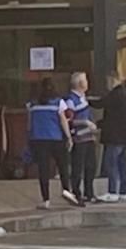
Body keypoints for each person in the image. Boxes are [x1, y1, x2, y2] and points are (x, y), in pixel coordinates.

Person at [26, 77, 77, 209]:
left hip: (39, 139)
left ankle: (46, 200)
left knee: (43, 170)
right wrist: (69, 137)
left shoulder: (32, 104)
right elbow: (63, 120)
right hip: (56, 138)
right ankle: (66, 191)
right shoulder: (59, 102)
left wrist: (30, 138)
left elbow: (29, 123)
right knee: (63, 166)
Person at [98, 74, 126, 204]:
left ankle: (112, 191)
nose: (107, 85)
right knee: (121, 164)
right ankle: (124, 192)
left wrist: (87, 101)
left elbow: (102, 105)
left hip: (114, 136)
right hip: (124, 136)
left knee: (111, 163)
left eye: (108, 81)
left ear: (113, 80)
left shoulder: (115, 95)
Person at [65, 71, 99, 204]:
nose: (87, 83)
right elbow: (69, 120)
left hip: (89, 137)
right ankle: (76, 193)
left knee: (91, 166)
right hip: (79, 138)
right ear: (79, 84)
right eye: (85, 80)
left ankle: (89, 193)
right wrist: (85, 123)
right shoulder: (70, 100)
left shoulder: (83, 98)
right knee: (77, 167)